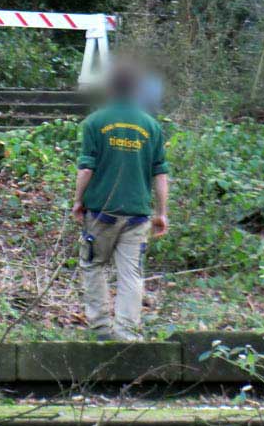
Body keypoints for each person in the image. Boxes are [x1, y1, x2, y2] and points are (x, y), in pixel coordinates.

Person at [72, 62, 170, 341]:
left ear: (109, 88)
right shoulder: (152, 126)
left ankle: (101, 330)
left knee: (93, 266)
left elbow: (87, 168)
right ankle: (126, 333)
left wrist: (78, 200)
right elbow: (160, 174)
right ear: (136, 89)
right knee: (131, 274)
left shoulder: (94, 122)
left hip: (101, 211)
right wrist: (161, 213)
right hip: (137, 214)